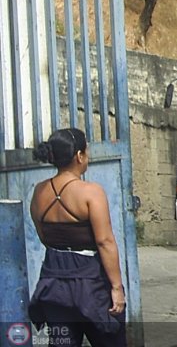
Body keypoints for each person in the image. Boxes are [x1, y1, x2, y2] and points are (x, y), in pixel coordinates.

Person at [28, 128, 127, 346]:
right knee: (110, 338)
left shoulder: (39, 192)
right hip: (91, 282)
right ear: (79, 156)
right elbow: (105, 242)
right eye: (87, 152)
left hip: (53, 282)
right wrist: (117, 287)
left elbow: (44, 236)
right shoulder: (91, 192)